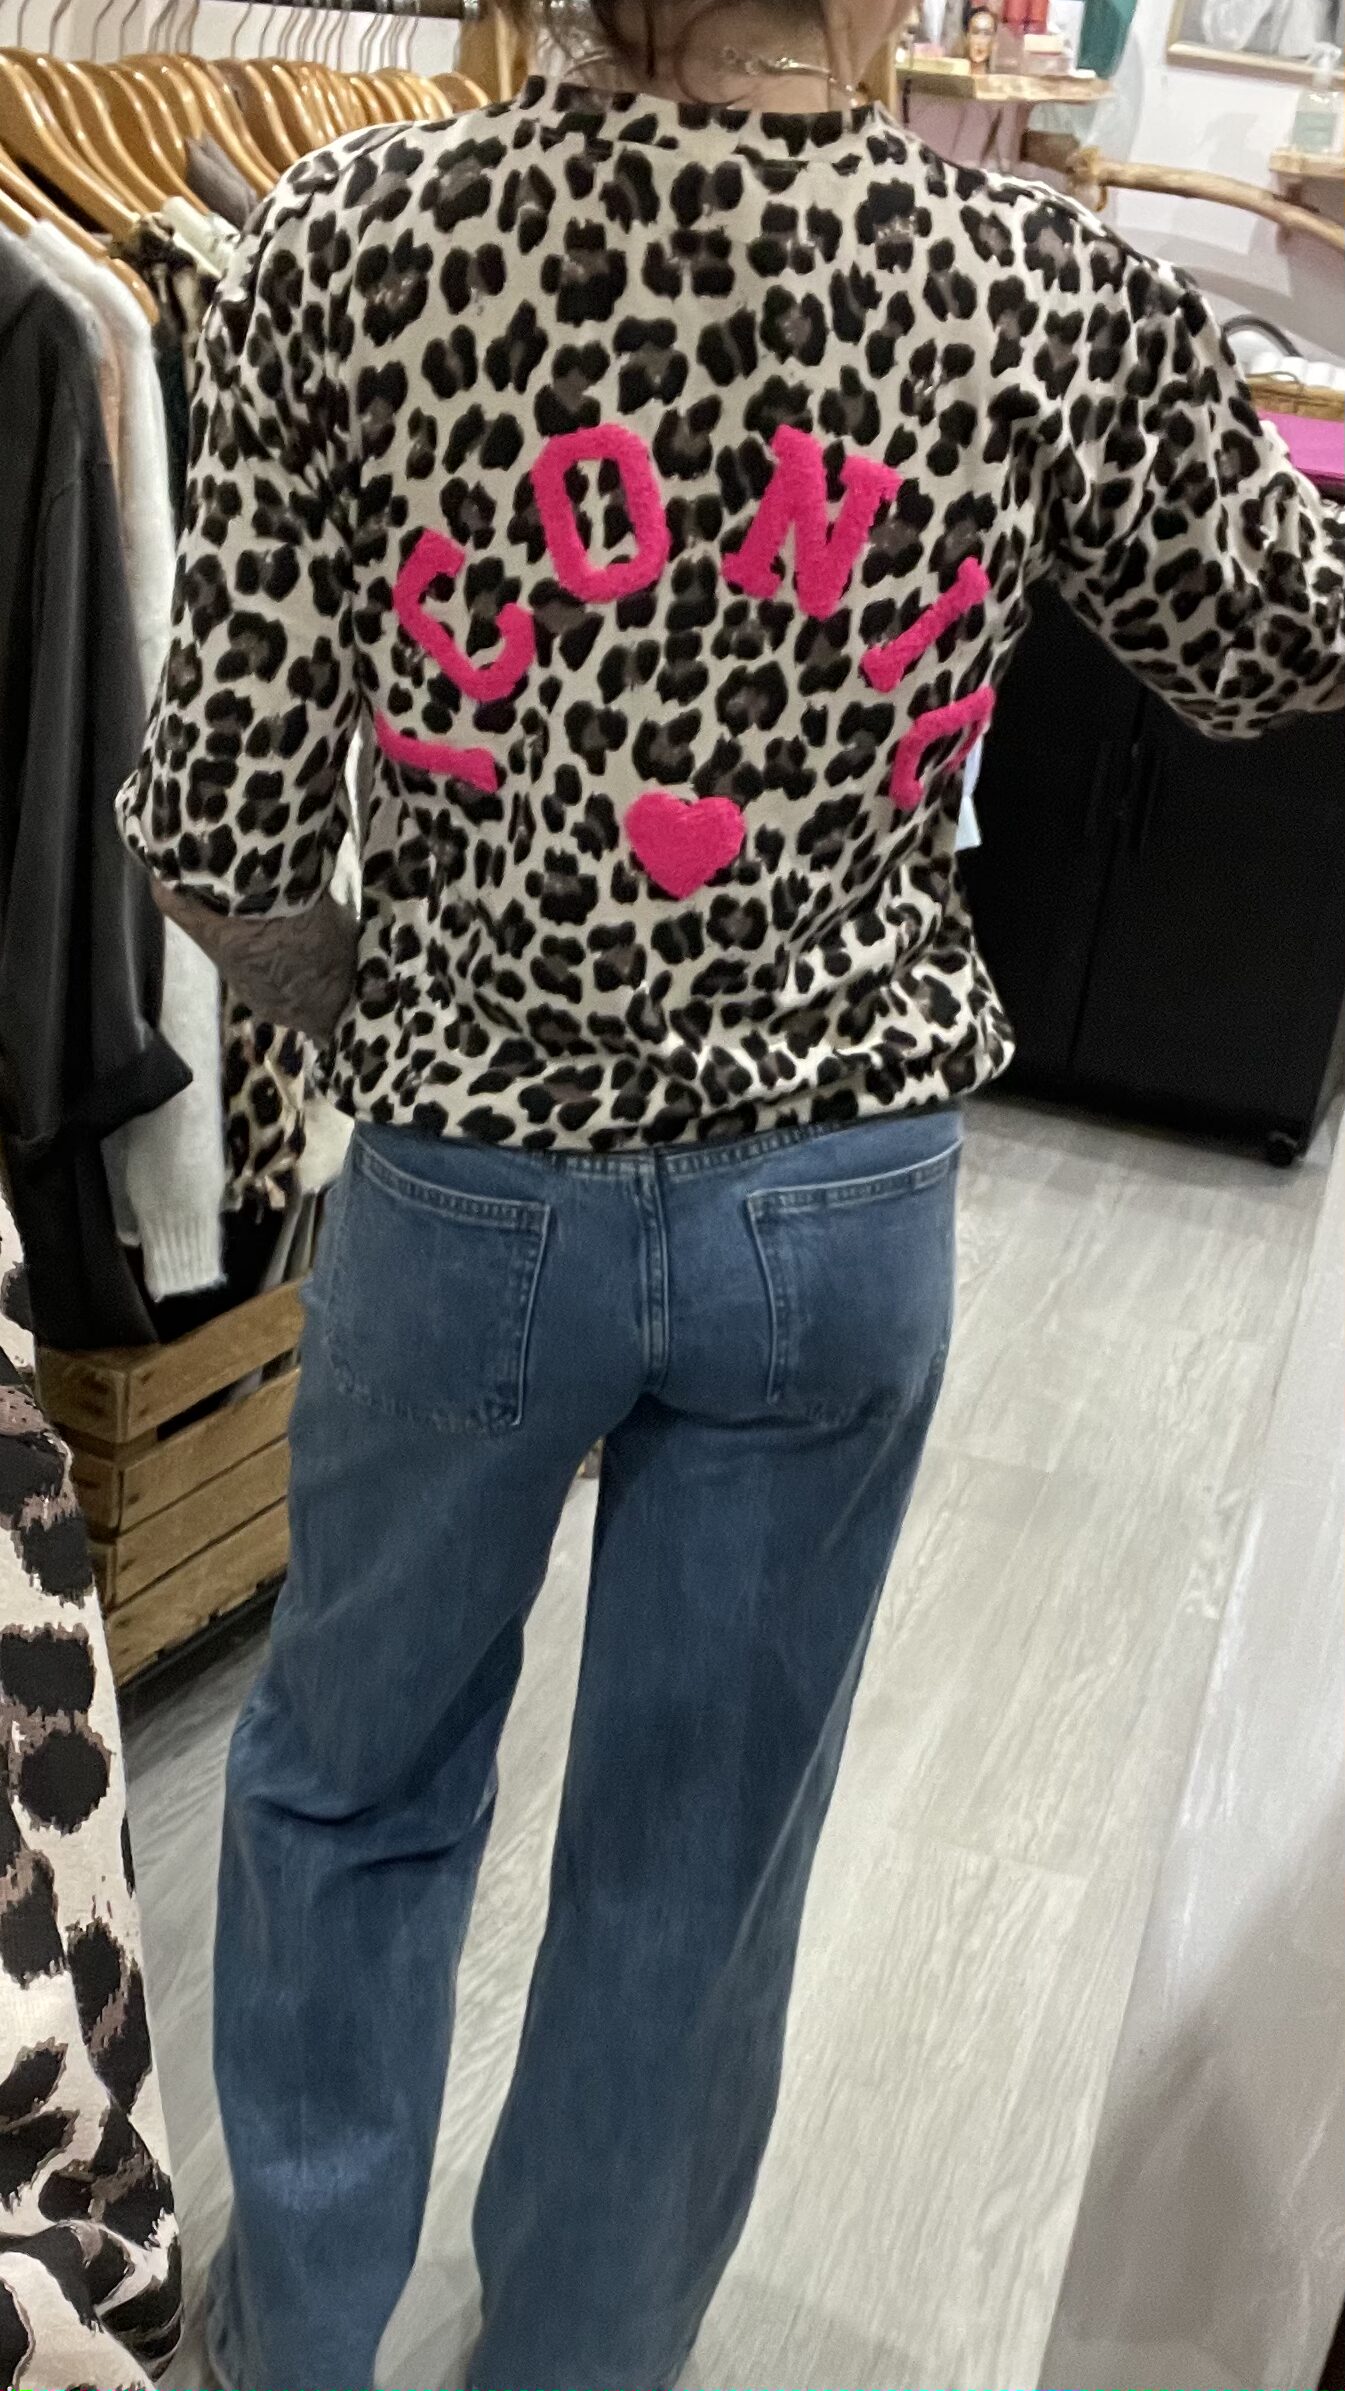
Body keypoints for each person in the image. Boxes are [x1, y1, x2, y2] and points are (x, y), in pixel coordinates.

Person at [118, 0, 1345, 2374]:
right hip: (836, 1198)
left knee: (352, 1790)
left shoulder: (351, 240)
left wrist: (403, 1030)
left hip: (472, 1168)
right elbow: (1273, 639)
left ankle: (295, 2344)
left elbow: (224, 839)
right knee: (698, 1866)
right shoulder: (1034, 284)